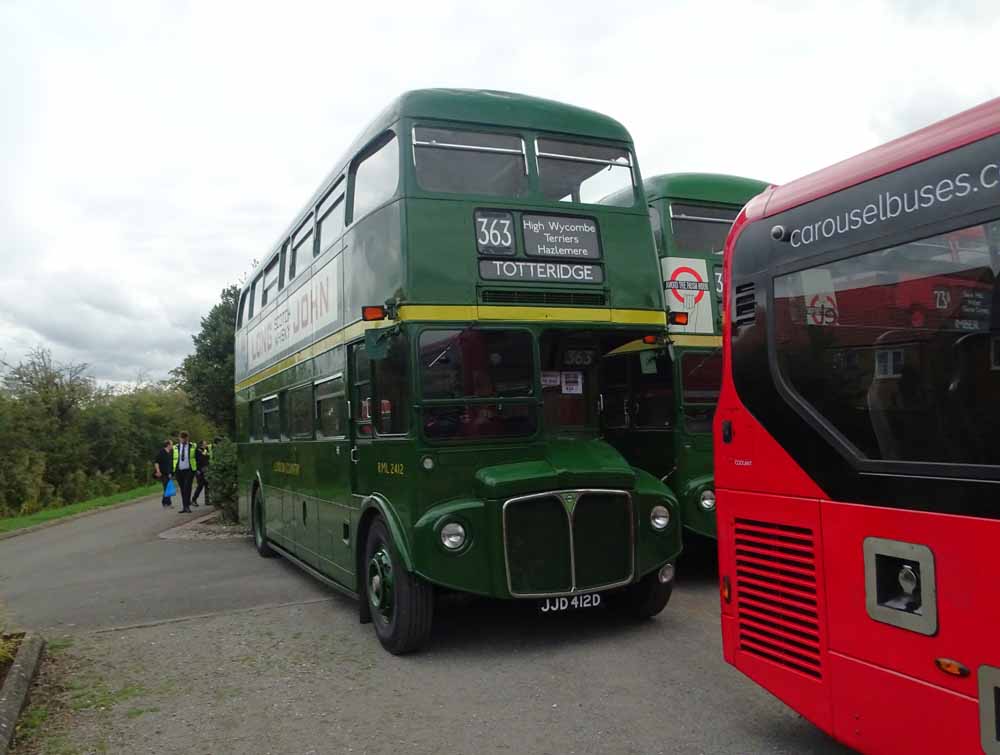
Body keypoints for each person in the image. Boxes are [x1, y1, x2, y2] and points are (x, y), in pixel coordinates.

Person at [172, 431, 197, 513]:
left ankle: (187, 506)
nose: (183, 440)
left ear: (187, 438)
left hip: (189, 470)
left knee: (187, 487)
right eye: (182, 438)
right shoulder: (175, 447)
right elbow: (172, 459)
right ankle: (184, 506)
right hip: (179, 470)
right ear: (179, 438)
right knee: (182, 489)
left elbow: (197, 457)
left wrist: (197, 469)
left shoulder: (193, 446)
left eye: (185, 438)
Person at [153, 439, 174, 507]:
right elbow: (156, 462)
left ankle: (164, 502)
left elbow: (170, 463)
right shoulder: (161, 452)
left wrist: (171, 472)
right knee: (166, 487)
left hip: (168, 472)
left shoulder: (170, 452)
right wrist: (158, 471)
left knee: (168, 487)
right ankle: (168, 503)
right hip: (162, 473)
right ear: (168, 445)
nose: (172, 446)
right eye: (171, 444)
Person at [192, 440, 211, 507]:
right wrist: (197, 470)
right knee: (200, 486)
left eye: (206, 443)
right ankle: (194, 499)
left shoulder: (207, 450)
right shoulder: (198, 450)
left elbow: (207, 458)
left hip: (206, 469)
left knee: (207, 485)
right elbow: (197, 461)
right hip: (200, 470)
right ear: (201, 444)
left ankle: (207, 500)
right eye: (205, 443)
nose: (206, 444)